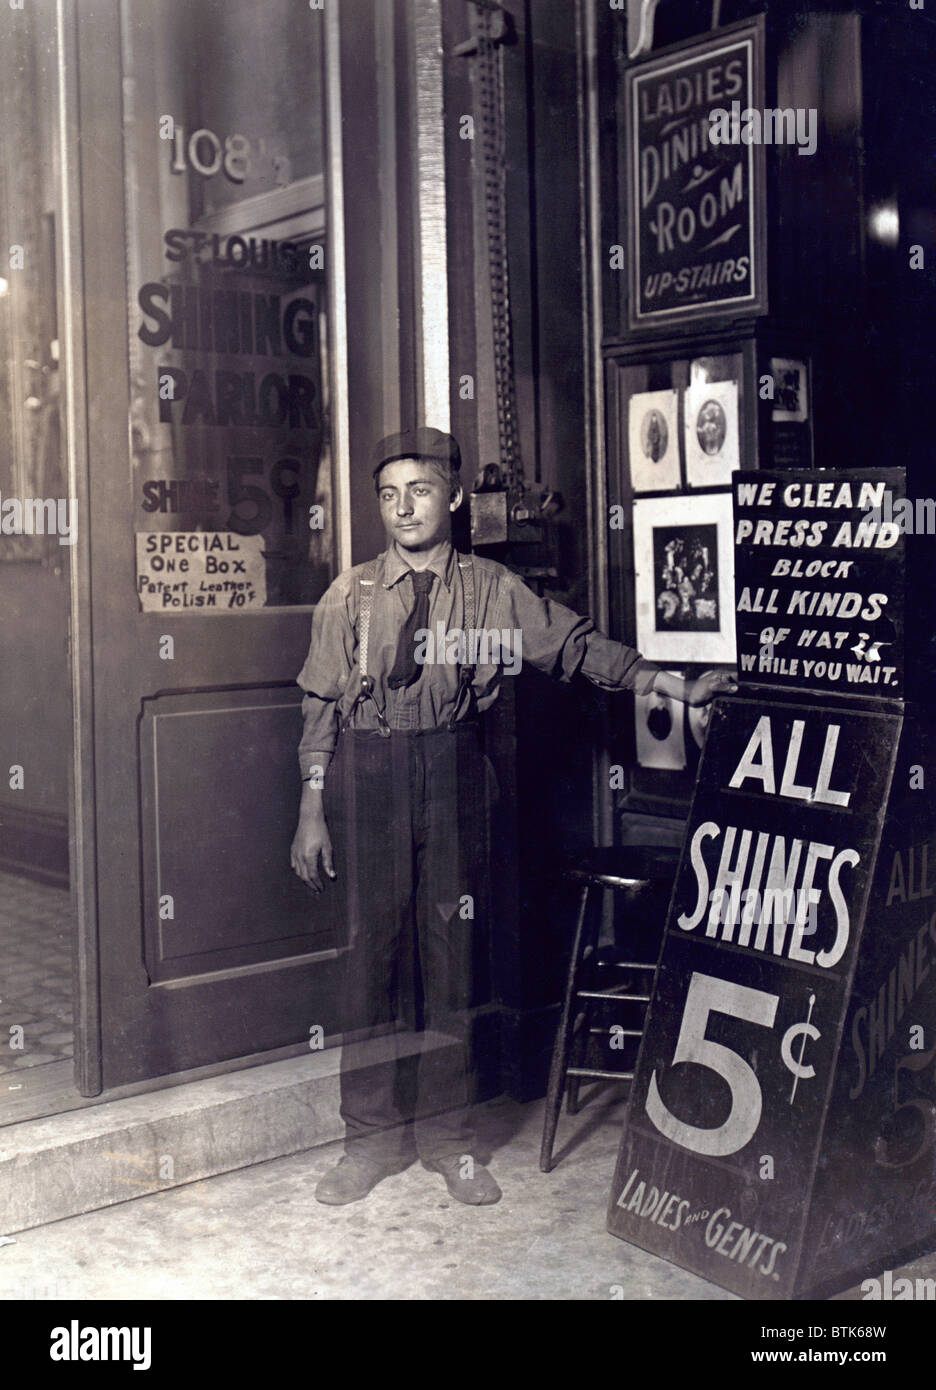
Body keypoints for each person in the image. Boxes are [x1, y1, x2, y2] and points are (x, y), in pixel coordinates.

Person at [290, 427, 736, 1207]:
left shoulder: (492, 591)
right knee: (371, 962)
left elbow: (577, 650)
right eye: (389, 495)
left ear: (454, 497)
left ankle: (452, 1141)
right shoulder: (349, 594)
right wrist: (311, 805)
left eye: (420, 491)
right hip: (369, 774)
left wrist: (672, 684)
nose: (403, 508)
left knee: (455, 956)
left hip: (456, 770)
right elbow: (321, 706)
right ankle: (367, 1141)